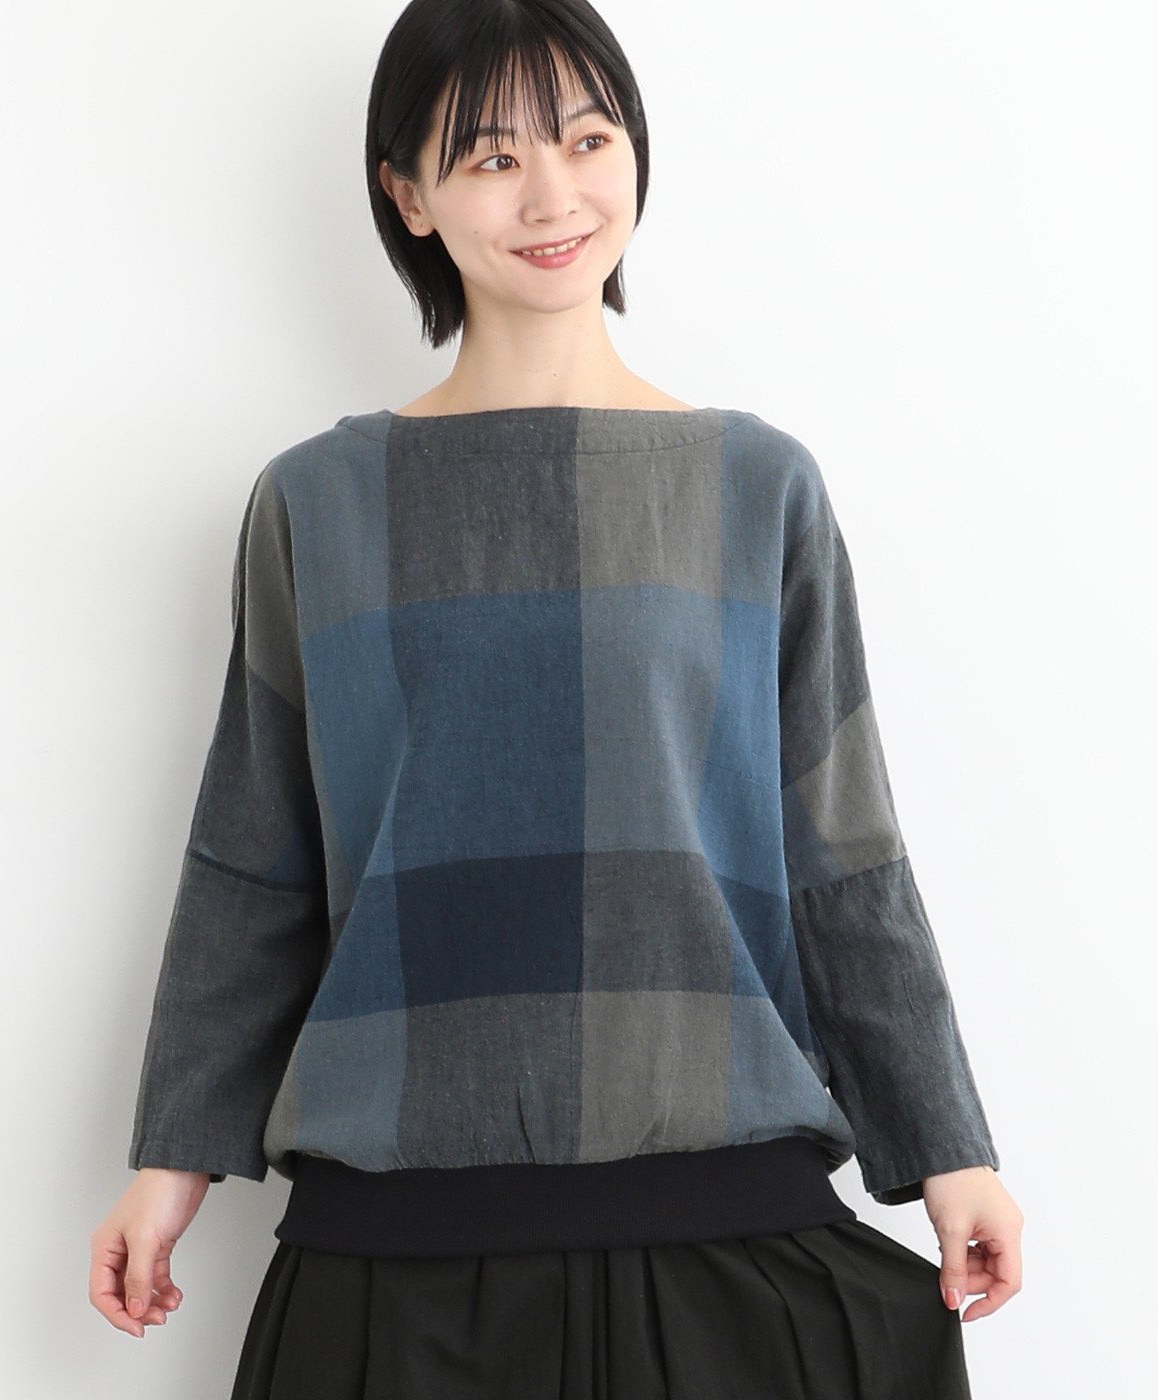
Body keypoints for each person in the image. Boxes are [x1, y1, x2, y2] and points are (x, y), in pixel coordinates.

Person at [89, 1, 1024, 1394]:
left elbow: (842, 852)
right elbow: (255, 858)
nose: (552, 195)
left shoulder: (756, 486)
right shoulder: (317, 503)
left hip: (725, 1231)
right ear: (407, 193)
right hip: (395, 1261)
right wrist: (172, 1162)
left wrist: (947, 1149)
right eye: (491, 157)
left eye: (588, 140)